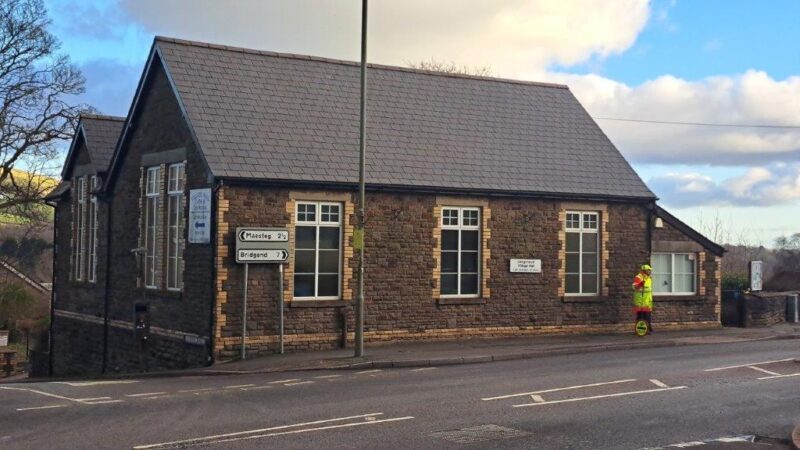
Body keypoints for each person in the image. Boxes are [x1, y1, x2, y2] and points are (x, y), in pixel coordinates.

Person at [632, 264, 653, 334]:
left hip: (647, 302)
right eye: (648, 270)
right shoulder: (638, 277)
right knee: (640, 317)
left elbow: (649, 291)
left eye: (650, 270)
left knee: (647, 317)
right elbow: (635, 287)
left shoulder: (649, 278)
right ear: (643, 270)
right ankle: (640, 331)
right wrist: (641, 283)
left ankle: (647, 329)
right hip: (640, 301)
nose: (649, 272)